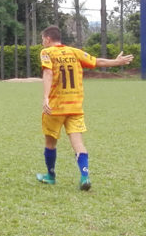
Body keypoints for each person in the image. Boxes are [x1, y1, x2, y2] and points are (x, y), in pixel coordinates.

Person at [36, 25, 133, 190]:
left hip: (55, 107)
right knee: (78, 143)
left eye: (42, 40)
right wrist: (116, 62)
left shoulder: (47, 52)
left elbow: (48, 73)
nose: (42, 43)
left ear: (47, 39)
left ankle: (50, 176)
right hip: (75, 106)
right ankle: (85, 176)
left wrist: (45, 97)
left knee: (50, 143)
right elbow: (97, 61)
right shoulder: (75, 52)